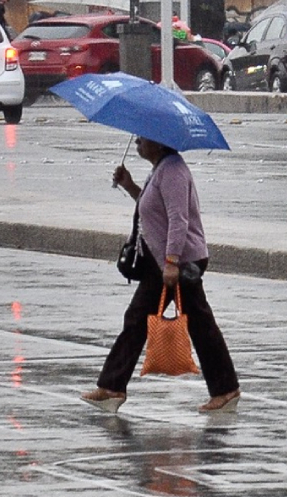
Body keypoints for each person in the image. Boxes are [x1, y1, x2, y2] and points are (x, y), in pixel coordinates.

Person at [81, 137, 242, 414]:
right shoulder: (161, 169)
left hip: (179, 261)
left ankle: (226, 390)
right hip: (163, 260)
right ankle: (112, 387)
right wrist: (129, 185)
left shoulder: (174, 171)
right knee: (139, 320)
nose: (137, 143)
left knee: (199, 324)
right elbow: (153, 211)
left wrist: (171, 262)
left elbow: (179, 219)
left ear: (159, 142)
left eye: (143, 139)